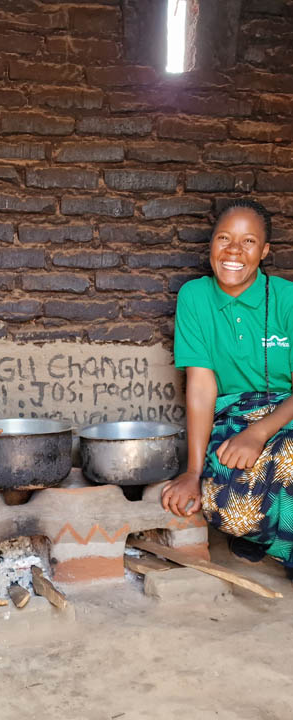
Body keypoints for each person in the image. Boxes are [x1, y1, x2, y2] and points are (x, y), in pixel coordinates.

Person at [162, 197, 293, 574]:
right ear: (211, 245)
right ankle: (258, 533)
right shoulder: (196, 297)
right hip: (233, 416)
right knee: (225, 508)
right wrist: (192, 471)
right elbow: (202, 389)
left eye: (248, 241)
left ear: (265, 251)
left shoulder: (286, 299)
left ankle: (280, 545)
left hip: (285, 414)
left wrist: (262, 433)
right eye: (224, 238)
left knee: (287, 452)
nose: (234, 250)